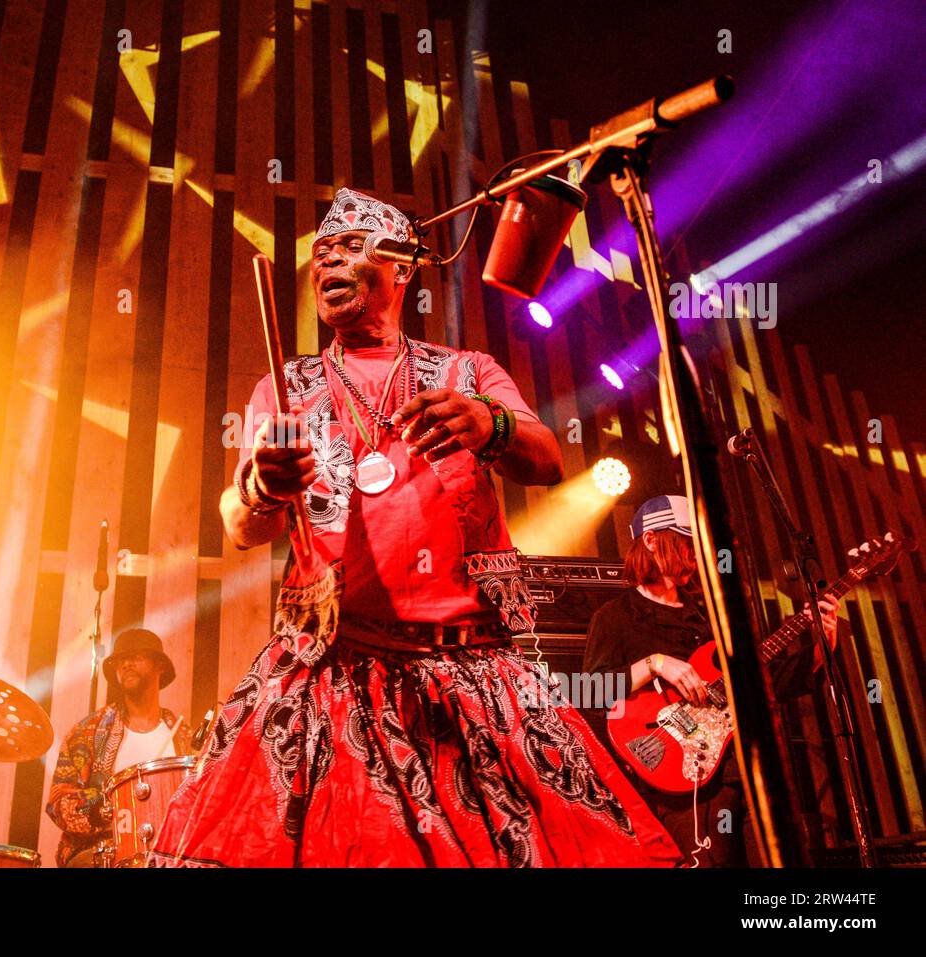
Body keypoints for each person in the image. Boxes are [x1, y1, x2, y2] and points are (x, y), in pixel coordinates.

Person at [148, 187, 682, 867]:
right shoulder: (290, 386)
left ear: (400, 268)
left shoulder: (466, 371)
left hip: (471, 670)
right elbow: (240, 524)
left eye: (347, 247)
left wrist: (491, 424)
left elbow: (546, 459)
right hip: (334, 670)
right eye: (320, 255)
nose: (326, 263)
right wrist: (259, 486)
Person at [583, 494, 840, 866]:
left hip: (746, 767)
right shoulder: (616, 616)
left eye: (696, 546)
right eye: (686, 543)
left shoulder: (710, 613)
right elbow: (591, 691)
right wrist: (655, 664)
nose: (693, 556)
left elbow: (765, 684)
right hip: (686, 780)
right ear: (652, 540)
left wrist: (821, 646)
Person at [45, 629, 192, 866]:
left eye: (136, 656)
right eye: (120, 660)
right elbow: (59, 803)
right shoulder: (87, 732)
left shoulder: (183, 737)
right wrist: (120, 809)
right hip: (103, 856)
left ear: (160, 667)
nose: (126, 664)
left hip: (167, 856)